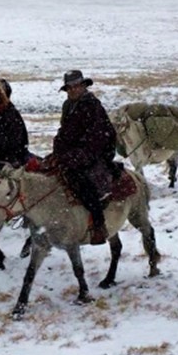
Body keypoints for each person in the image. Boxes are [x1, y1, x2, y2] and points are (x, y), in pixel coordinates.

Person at [51, 70, 117, 245]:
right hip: (74, 152)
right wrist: (58, 151)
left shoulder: (92, 106)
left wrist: (77, 157)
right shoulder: (68, 105)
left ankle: (98, 224)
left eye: (76, 86)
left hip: (97, 152)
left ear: (83, 86)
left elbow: (97, 137)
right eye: (69, 88)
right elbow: (65, 132)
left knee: (82, 181)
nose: (73, 90)